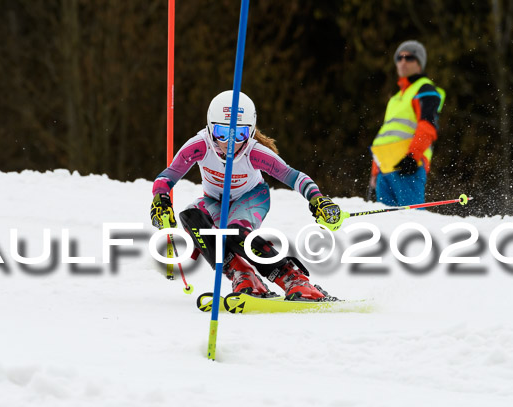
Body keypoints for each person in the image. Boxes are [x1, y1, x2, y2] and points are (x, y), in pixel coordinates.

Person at [150, 90, 344, 301]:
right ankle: (243, 274)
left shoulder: (253, 152)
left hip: (251, 197)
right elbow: (168, 175)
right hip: (215, 200)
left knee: (235, 232)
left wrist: (317, 199)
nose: (229, 143)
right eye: (221, 133)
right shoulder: (199, 145)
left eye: (239, 134)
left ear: (250, 132)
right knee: (191, 218)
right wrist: (161, 199)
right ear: (209, 127)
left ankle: (293, 279)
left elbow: (294, 176)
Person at [368, 40, 446, 206]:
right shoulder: (396, 98)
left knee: (411, 222)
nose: (403, 61)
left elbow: (428, 126)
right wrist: (375, 171)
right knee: (386, 224)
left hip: (408, 166)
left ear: (419, 64)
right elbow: (386, 135)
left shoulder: (425, 89)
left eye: (409, 57)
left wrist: (412, 156)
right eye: (399, 58)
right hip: (385, 169)